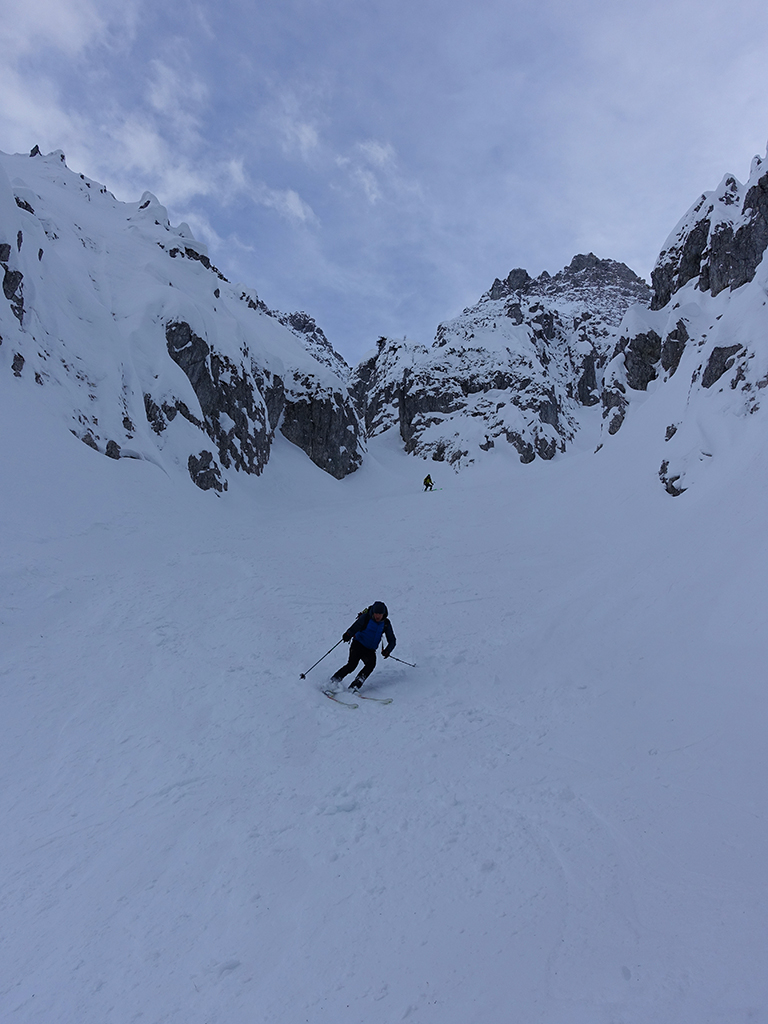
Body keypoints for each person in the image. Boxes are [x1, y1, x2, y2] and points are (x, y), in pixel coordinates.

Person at [330, 601, 396, 690]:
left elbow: (392, 640)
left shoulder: (386, 624)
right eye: (376, 613)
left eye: (380, 614)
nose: (378, 616)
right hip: (358, 644)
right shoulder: (366, 618)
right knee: (352, 665)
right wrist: (348, 634)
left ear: (384, 614)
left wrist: (388, 650)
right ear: (373, 612)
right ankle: (334, 681)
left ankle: (355, 686)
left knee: (370, 665)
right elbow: (355, 627)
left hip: (370, 649)